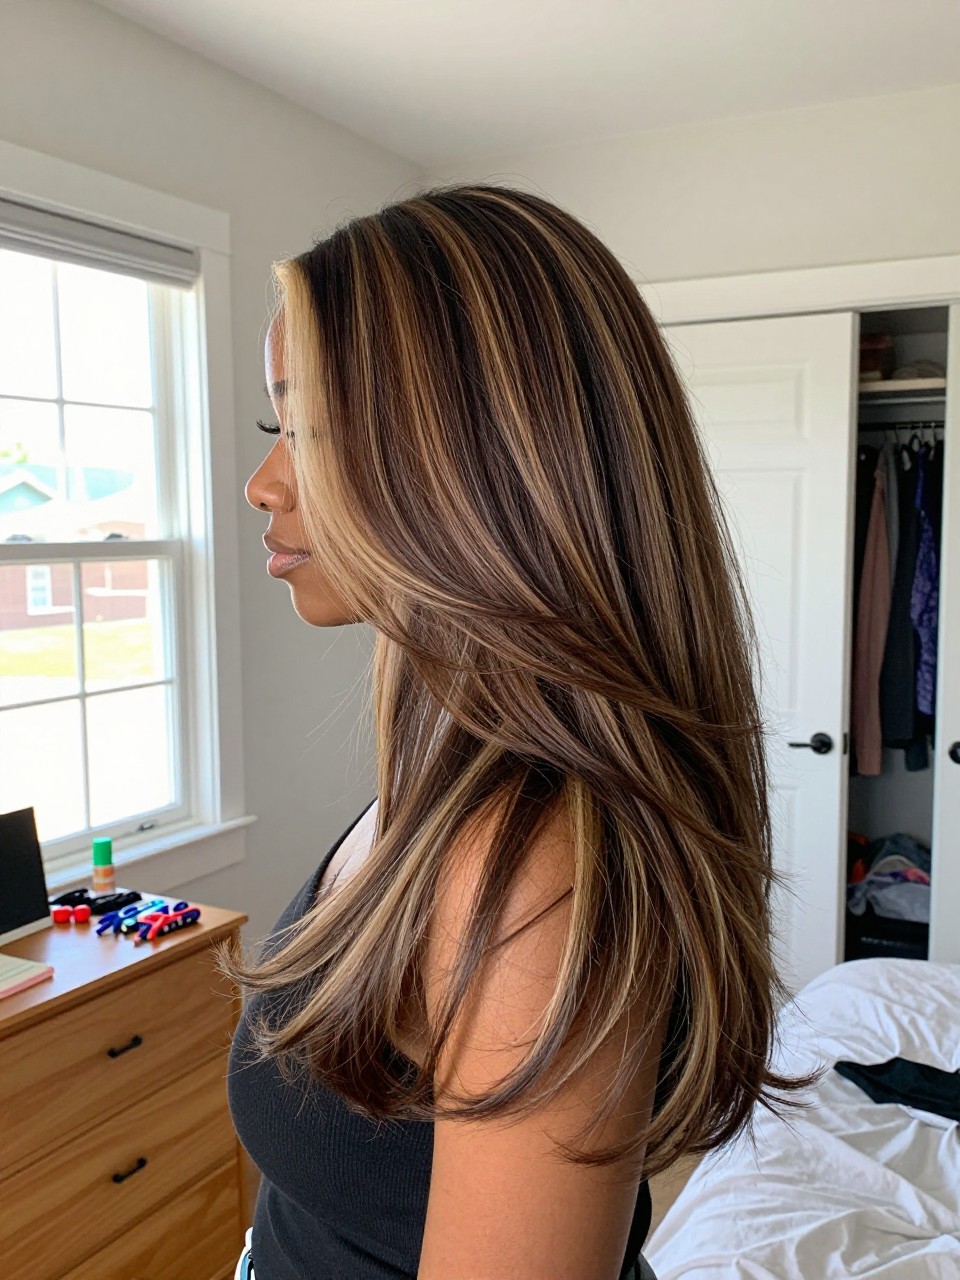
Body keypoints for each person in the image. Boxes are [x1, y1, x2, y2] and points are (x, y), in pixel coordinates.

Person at [227, 183, 817, 1280]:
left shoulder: (527, 872)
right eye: (277, 428)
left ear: (470, 455)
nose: (265, 481)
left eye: (305, 428)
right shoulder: (445, 767)